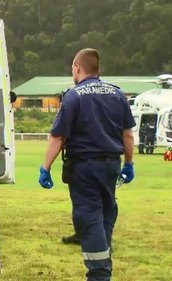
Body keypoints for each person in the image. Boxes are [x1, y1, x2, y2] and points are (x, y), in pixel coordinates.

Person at [38, 48, 135, 280]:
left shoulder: (73, 96)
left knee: (89, 217)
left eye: (72, 67)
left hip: (84, 167)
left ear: (78, 66)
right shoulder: (117, 95)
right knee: (106, 213)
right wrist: (129, 163)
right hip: (111, 165)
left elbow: (58, 137)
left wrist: (45, 167)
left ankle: (99, 273)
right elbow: (127, 135)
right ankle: (104, 261)